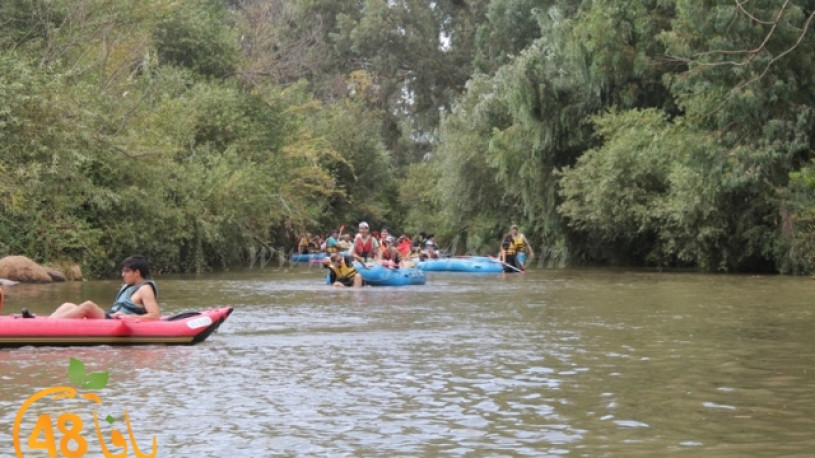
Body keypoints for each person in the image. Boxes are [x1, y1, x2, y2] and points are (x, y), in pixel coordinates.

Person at [48, 256, 160, 320]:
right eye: (123, 271)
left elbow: (155, 316)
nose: (123, 275)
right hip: (111, 317)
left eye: (127, 271)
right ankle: (47, 321)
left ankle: (50, 324)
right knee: (68, 305)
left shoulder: (145, 289)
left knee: (88, 306)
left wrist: (130, 317)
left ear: (137, 272)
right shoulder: (128, 287)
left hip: (114, 321)